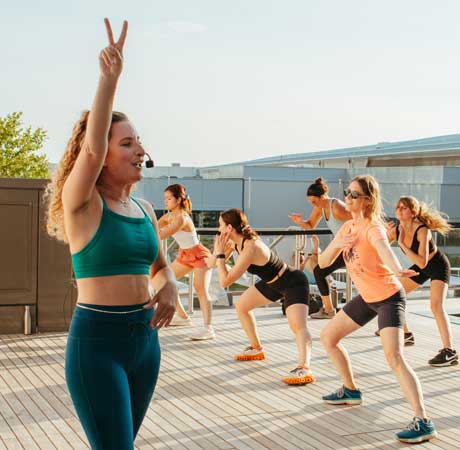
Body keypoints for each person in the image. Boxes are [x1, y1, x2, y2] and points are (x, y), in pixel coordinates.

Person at [44, 19, 178, 450]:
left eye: (139, 141)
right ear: (102, 154)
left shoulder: (143, 208)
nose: (139, 149)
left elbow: (158, 265)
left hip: (145, 344)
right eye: (126, 143)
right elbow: (92, 147)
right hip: (97, 346)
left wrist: (170, 284)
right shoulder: (82, 203)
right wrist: (109, 80)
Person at [317, 175, 437, 443]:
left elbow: (384, 249)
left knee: (394, 357)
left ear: (368, 200)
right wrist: (336, 245)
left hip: (390, 298)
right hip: (367, 297)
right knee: (328, 337)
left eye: (353, 194)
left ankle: (423, 421)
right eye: (347, 192)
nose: (347, 198)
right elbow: (323, 263)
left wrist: (396, 268)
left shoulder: (373, 228)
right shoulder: (347, 227)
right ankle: (350, 390)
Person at [211, 209, 314, 386]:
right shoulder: (234, 242)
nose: (218, 229)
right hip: (271, 283)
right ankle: (256, 348)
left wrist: (220, 255)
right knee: (242, 306)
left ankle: (304, 367)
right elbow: (212, 264)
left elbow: (225, 281)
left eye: (220, 226)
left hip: (292, 281)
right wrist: (217, 251)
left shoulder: (251, 247)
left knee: (297, 325)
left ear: (229, 227)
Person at [387, 196, 458, 366]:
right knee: (394, 293)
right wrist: (384, 233)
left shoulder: (422, 230)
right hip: (420, 268)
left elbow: (422, 262)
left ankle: (450, 352)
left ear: (412, 213)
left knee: (436, 306)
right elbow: (382, 246)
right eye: (397, 207)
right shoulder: (397, 229)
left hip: (438, 265)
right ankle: (406, 334)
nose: (398, 210)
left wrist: (402, 243)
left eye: (403, 207)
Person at [157, 184, 215, 340]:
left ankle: (208, 329)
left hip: (199, 255)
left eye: (169, 198)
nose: (166, 202)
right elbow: (154, 227)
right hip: (185, 255)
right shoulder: (169, 216)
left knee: (201, 289)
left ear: (178, 199)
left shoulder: (182, 218)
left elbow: (161, 234)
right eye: (165, 199)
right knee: (165, 281)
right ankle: (183, 317)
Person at [290, 177, 351, 319]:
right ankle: (328, 310)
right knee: (319, 271)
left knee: (320, 271)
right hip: (340, 248)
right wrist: (300, 222)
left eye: (314, 201)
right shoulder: (321, 208)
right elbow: (310, 225)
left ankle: (330, 310)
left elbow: (357, 220)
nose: (313, 205)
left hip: (351, 248)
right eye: (311, 203)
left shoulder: (336, 206)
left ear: (323, 196)